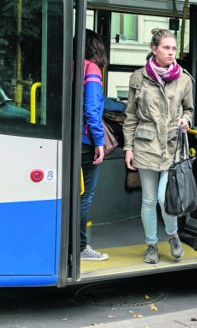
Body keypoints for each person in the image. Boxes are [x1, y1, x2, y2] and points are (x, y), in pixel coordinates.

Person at [123, 28, 193, 264]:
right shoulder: (138, 77)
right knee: (149, 200)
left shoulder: (184, 78)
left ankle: (173, 236)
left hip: (172, 147)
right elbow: (131, 116)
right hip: (145, 146)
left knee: (166, 198)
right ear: (154, 49)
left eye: (173, 48)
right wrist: (128, 148)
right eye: (166, 48)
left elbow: (189, 109)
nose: (171, 52)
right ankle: (151, 245)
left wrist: (186, 120)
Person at [79, 29, 110, 261]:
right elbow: (91, 109)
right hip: (85, 141)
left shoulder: (70, 64)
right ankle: (80, 247)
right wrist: (99, 141)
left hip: (70, 138)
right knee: (85, 197)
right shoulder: (91, 69)